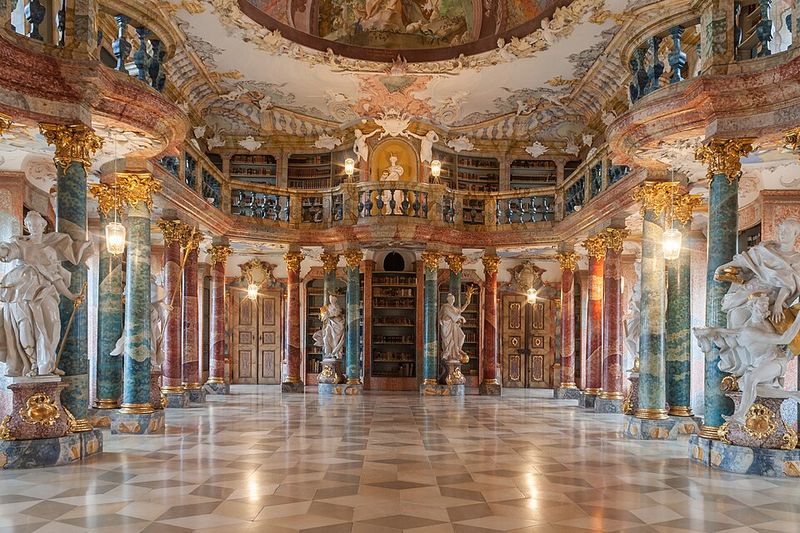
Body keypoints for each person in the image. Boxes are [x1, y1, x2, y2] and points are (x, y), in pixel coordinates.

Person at [0, 211, 92, 377]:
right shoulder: (21, 244)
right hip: (21, 291)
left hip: (45, 291)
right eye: (30, 225)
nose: (33, 228)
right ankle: (32, 364)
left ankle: (47, 363)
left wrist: (71, 296)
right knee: (25, 327)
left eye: (36, 225)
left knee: (53, 324)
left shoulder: (49, 251)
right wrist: (4, 250)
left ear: (43, 226)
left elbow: (55, 277)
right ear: (27, 227)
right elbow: (8, 251)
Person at [695, 294, 800, 425]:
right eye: (761, 306)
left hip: (776, 361)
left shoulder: (764, 323)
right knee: (744, 385)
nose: (764, 309)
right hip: (761, 363)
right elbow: (734, 332)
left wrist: (797, 319)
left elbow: (784, 339)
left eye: (765, 307)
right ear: (752, 307)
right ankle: (794, 394)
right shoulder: (748, 329)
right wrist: (712, 330)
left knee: (750, 378)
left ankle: (740, 415)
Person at [439, 286, 475, 363]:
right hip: (447, 327)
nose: (452, 300)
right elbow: (454, 315)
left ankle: (457, 350)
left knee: (462, 336)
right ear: (448, 299)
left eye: (453, 299)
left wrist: (467, 303)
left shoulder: (453, 308)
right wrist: (462, 318)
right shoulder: (445, 307)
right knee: (448, 342)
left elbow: (460, 310)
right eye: (451, 299)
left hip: (453, 326)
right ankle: (449, 354)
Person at [313, 295, 345, 359]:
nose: (331, 300)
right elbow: (323, 317)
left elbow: (337, 313)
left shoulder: (336, 306)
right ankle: (328, 352)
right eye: (330, 298)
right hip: (329, 324)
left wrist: (329, 315)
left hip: (336, 324)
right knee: (326, 338)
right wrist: (324, 315)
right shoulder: (328, 307)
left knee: (335, 339)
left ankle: (336, 353)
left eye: (332, 298)